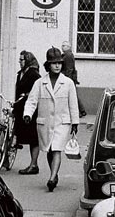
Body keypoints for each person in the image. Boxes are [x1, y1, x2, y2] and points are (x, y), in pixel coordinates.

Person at [23, 47, 80, 192]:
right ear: (48, 65)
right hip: (45, 122)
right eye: (54, 63)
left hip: (62, 122)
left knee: (56, 149)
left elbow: (73, 104)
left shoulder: (68, 83)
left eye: (59, 63)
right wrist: (27, 114)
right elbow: (31, 101)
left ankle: (52, 177)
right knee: (49, 149)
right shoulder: (40, 83)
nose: (57, 66)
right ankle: (53, 174)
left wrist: (75, 122)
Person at [15, 51, 42, 175]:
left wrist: (27, 95)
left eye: (22, 60)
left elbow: (38, 90)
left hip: (31, 110)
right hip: (21, 108)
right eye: (20, 60)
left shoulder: (33, 74)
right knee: (19, 134)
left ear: (28, 60)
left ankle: (34, 164)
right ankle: (5, 159)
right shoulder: (20, 73)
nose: (20, 62)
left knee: (33, 137)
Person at [62, 41, 86, 117]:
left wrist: (66, 79)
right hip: (71, 77)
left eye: (64, 46)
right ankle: (82, 111)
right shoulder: (67, 55)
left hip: (69, 78)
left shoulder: (68, 55)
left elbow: (69, 69)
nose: (62, 47)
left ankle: (80, 112)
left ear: (68, 47)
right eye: (62, 45)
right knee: (74, 95)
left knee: (72, 96)